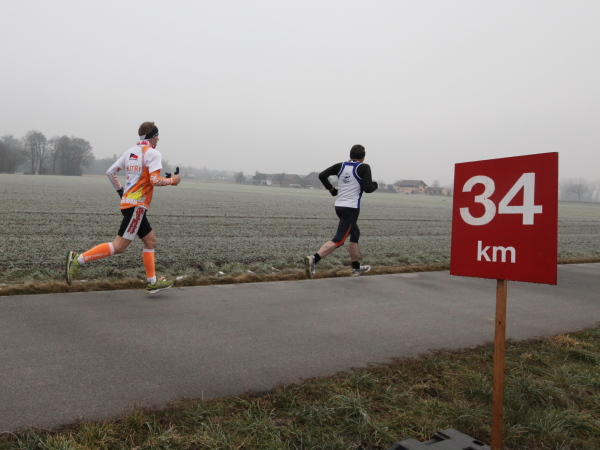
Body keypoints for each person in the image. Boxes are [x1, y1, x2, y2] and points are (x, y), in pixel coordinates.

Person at [66, 121, 181, 293]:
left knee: (150, 241)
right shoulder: (153, 153)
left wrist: (121, 191)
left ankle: (152, 281)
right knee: (119, 246)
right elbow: (154, 180)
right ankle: (77, 260)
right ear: (152, 137)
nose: (158, 139)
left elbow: (110, 172)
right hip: (137, 207)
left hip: (129, 204)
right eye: (157, 136)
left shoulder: (130, 152)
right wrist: (173, 180)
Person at [304, 144, 378, 279]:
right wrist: (375, 185)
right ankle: (314, 258)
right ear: (363, 157)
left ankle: (356, 267)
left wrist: (332, 190)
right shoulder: (364, 167)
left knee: (354, 233)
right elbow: (368, 188)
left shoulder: (340, 166)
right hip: (351, 208)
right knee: (339, 240)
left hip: (339, 206)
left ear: (350, 155)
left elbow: (322, 175)